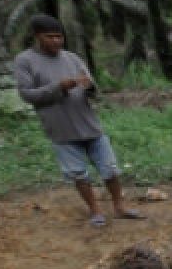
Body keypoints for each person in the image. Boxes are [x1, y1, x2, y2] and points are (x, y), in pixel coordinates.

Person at [13, 14, 143, 227]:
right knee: (78, 174)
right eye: (50, 37)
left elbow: (92, 89)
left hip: (89, 124)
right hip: (61, 130)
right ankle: (95, 211)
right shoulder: (25, 61)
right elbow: (27, 95)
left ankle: (120, 207)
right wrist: (59, 87)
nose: (56, 41)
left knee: (110, 169)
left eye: (59, 36)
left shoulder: (72, 58)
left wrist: (90, 87)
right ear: (37, 37)